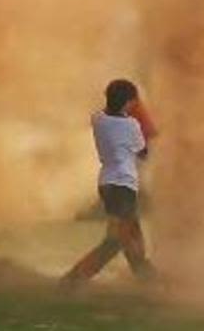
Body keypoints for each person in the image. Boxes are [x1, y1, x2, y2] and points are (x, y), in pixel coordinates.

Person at [61, 79, 158, 288]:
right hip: (124, 185)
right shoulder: (131, 125)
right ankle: (73, 280)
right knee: (118, 239)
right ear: (129, 102)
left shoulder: (98, 120)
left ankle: (147, 280)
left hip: (107, 182)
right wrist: (143, 119)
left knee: (128, 236)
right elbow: (144, 152)